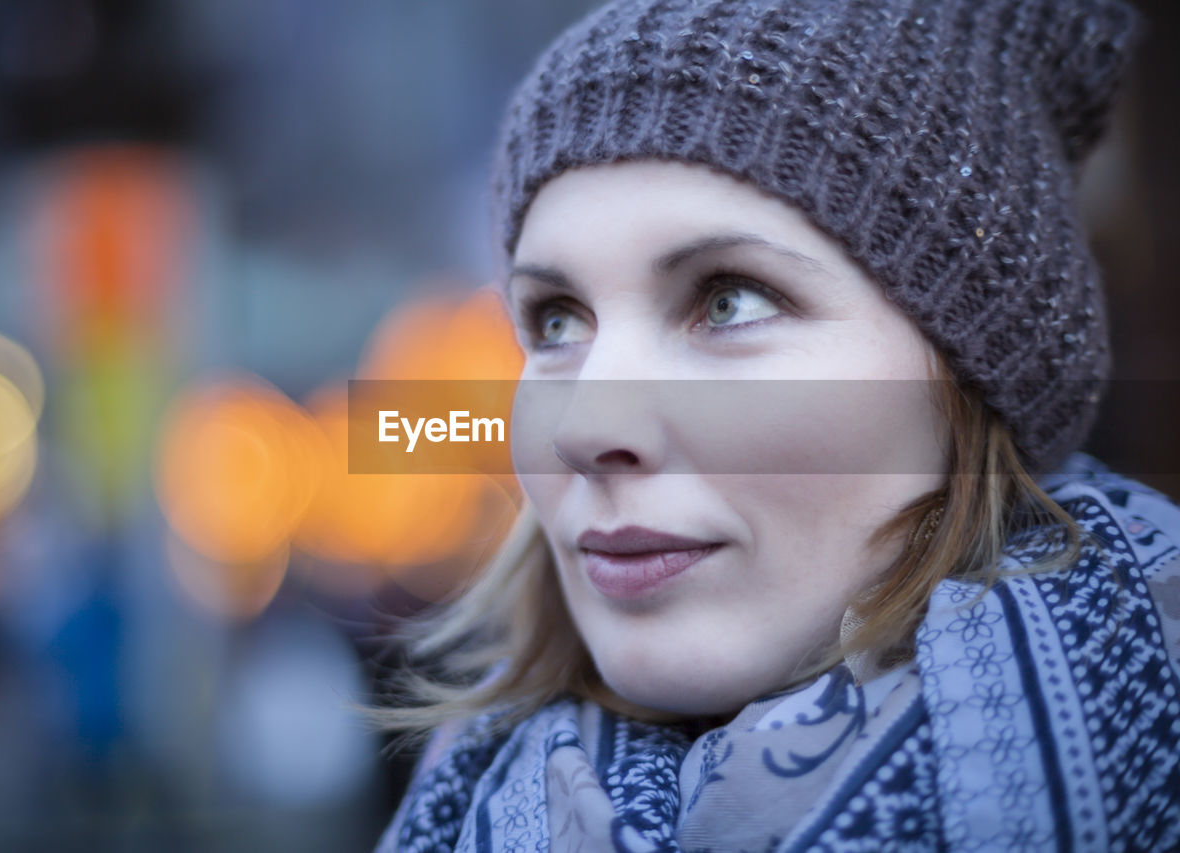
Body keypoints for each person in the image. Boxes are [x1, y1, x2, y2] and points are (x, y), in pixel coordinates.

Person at [373, 0, 1180, 849]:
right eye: (556, 321)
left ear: (974, 376)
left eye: (730, 301)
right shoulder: (467, 796)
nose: (585, 426)